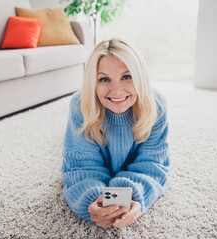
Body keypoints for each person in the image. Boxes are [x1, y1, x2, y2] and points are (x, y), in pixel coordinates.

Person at [61, 38, 170, 228]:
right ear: (93, 83)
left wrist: (135, 196)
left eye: (127, 76)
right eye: (104, 79)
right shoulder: (81, 105)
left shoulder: (156, 104)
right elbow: (80, 167)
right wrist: (94, 200)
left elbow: (153, 163)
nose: (117, 90)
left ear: (140, 77)